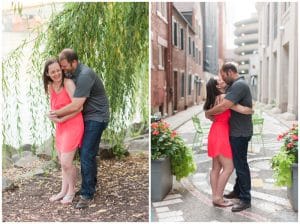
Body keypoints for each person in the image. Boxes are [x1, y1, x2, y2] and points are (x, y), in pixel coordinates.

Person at [48, 49, 109, 209]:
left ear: (74, 62)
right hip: (86, 117)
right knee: (88, 153)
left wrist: (56, 114)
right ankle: (91, 184)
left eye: (64, 66)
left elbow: (76, 105)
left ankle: (86, 194)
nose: (62, 70)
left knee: (86, 154)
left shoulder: (84, 75)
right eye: (60, 67)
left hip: (96, 117)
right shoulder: (72, 74)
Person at [205, 62, 253, 212]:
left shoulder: (232, 89)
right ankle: (221, 197)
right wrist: (248, 110)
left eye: (223, 76)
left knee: (222, 167)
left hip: (221, 132)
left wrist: (208, 112)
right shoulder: (225, 95)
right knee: (231, 166)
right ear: (216, 87)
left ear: (230, 72)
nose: (222, 80)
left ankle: (237, 196)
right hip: (223, 133)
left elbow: (225, 108)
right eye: (219, 80)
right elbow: (226, 106)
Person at [43, 58, 84, 204]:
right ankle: (63, 190)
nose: (56, 74)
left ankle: (71, 191)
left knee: (67, 162)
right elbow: (55, 107)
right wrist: (52, 115)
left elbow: (79, 107)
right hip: (60, 126)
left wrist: (61, 118)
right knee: (62, 162)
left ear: (61, 70)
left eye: (58, 70)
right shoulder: (50, 87)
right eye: (52, 72)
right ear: (48, 74)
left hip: (73, 124)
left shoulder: (68, 83)